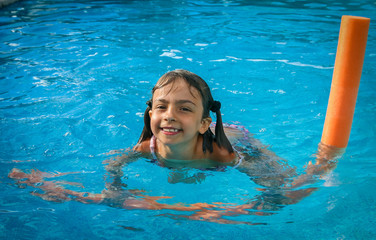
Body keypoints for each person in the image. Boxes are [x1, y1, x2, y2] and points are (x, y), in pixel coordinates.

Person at [8, 69, 343, 224]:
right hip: (174, 160)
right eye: (162, 106)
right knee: (177, 174)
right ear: (150, 112)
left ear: (203, 122)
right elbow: (112, 166)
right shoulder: (146, 149)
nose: (169, 116)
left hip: (229, 143)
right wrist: (113, 189)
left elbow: (277, 194)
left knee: (278, 173)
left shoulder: (225, 155)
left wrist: (314, 172)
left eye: (184, 107)